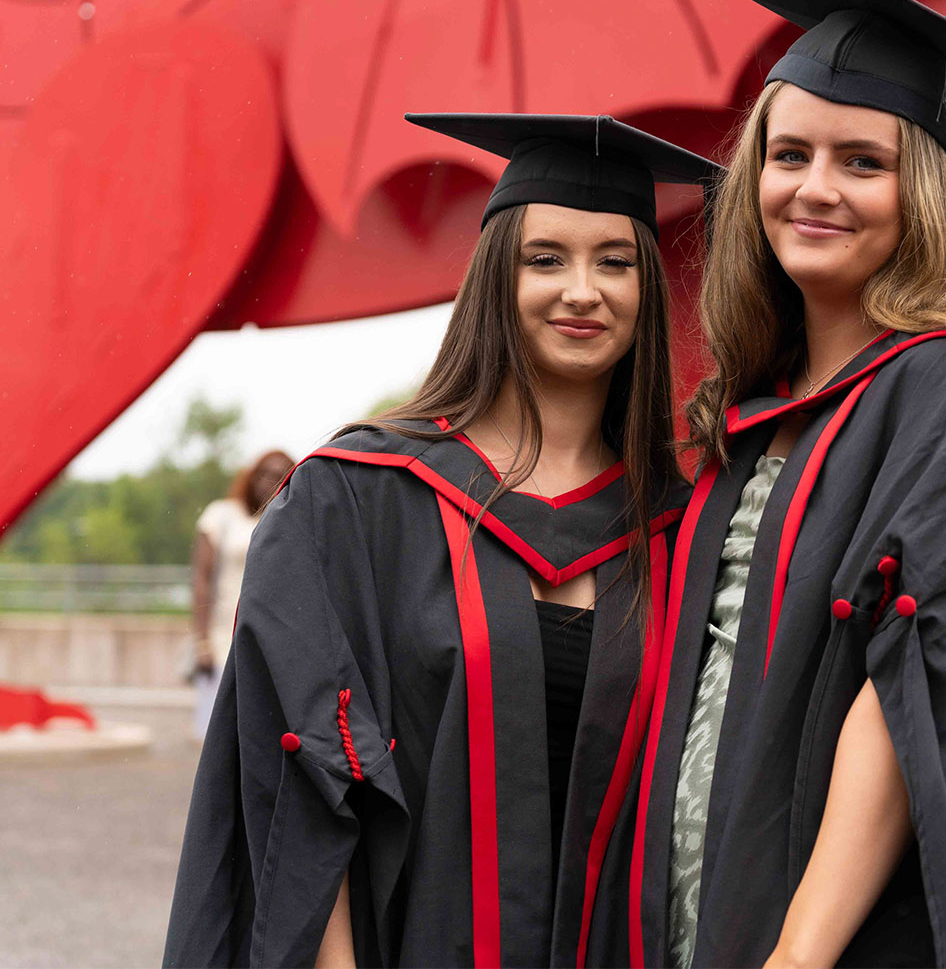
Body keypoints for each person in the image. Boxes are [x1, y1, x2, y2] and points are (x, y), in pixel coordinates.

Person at [608, 0, 946, 969]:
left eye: (862, 161)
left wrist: (795, 957)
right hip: (696, 910)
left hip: (845, 939)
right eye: (789, 154)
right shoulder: (746, 418)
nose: (814, 188)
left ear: (920, 196)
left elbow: (916, 704)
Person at [164, 114, 716, 967]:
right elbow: (298, 781)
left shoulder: (682, 531)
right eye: (546, 259)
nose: (583, 289)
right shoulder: (357, 500)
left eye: (616, 261)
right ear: (496, 280)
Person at [188, 449, 293, 740]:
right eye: (264, 473)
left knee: (258, 736)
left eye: (279, 475)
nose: (269, 481)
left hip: (271, 642)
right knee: (216, 734)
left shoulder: (288, 518)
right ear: (251, 475)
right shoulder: (221, 515)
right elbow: (201, 579)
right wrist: (201, 641)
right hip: (223, 639)